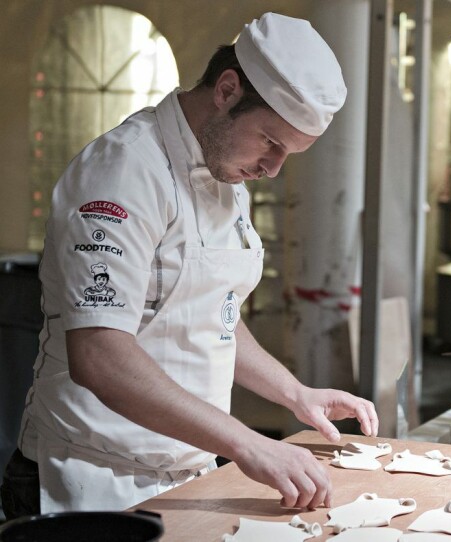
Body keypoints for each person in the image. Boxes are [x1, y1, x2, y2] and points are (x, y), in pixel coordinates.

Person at [0, 12, 378, 518]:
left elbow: (212, 312)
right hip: (92, 482)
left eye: (289, 153)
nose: (272, 169)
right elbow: (99, 353)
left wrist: (295, 394)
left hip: (186, 476)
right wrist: (249, 443)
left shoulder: (228, 178)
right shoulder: (123, 172)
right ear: (226, 90)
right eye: (270, 141)